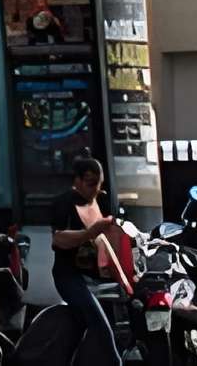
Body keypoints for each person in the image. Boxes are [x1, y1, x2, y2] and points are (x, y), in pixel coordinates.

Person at [46, 154, 129, 366]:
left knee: (81, 326)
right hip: (70, 275)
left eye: (98, 185)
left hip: (96, 274)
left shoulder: (101, 200)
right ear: (78, 181)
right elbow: (58, 239)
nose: (94, 190)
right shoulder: (64, 203)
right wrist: (89, 232)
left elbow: (110, 238)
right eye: (90, 184)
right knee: (98, 323)